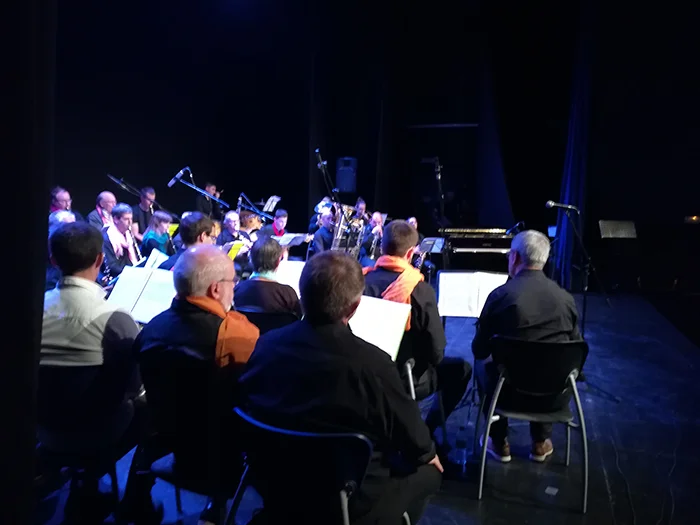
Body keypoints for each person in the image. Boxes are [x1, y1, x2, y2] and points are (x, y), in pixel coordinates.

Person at [239, 251, 442, 525]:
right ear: (354, 306)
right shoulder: (374, 365)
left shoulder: (265, 345)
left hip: (273, 483)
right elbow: (415, 441)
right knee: (431, 472)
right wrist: (428, 454)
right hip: (347, 499)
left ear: (302, 297)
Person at [136, 245, 259, 523]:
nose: (235, 288)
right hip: (222, 459)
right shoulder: (237, 334)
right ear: (216, 289)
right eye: (233, 282)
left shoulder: (151, 328)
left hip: (169, 442)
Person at [39, 222, 145, 519]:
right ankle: (136, 502)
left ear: (53, 260)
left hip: (40, 426)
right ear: (100, 259)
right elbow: (134, 387)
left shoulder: (31, 308)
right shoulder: (114, 317)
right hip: (97, 432)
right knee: (149, 405)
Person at [472, 230, 581, 463]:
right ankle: (540, 442)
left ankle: (498, 442)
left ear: (515, 257)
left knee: (482, 365)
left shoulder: (501, 296)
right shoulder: (566, 299)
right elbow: (575, 351)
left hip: (507, 394)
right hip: (553, 398)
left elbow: (479, 350)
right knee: (549, 361)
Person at [363, 220, 471, 452]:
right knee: (461, 370)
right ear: (411, 253)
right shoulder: (419, 289)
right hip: (406, 380)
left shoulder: (358, 281)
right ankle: (426, 429)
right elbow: (436, 353)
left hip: (361, 378)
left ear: (382, 247)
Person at [233, 237, 302, 318]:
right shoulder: (287, 294)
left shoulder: (236, 290)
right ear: (278, 261)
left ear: (250, 259)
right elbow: (299, 318)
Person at [102, 203, 139, 277]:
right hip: (118, 276)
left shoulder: (128, 233)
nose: (130, 222)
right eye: (126, 219)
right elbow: (111, 266)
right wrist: (133, 273)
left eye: (131, 219)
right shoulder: (107, 237)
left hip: (130, 273)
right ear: (116, 219)